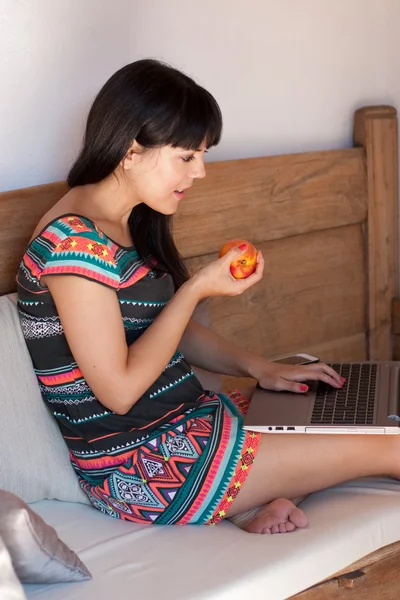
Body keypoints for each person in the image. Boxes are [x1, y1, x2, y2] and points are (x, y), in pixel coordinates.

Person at [17, 59, 400, 535]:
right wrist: (196, 287)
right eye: (186, 156)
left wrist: (261, 367)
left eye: (201, 155)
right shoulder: (73, 244)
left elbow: (159, 327)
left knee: (348, 411)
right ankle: (259, 496)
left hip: (192, 421)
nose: (200, 172)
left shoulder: (124, 219)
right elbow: (118, 392)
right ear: (131, 151)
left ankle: (260, 501)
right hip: (144, 467)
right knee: (391, 445)